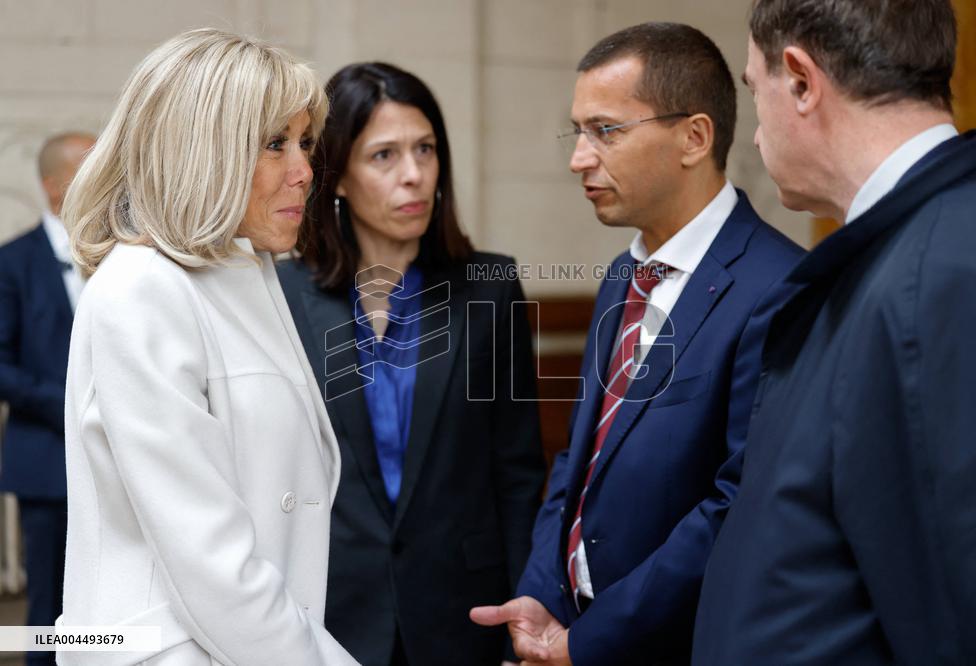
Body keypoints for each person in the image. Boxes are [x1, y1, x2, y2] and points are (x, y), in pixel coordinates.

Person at [470, 22, 803, 665]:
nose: (579, 159)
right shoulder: (626, 274)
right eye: (579, 132)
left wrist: (589, 642)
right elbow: (578, 461)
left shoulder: (776, 287)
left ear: (693, 137)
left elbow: (733, 506)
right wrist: (542, 599)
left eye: (607, 131)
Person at [692, 0, 976, 663]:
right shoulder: (897, 252)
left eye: (754, 89)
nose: (752, 136)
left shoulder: (944, 274)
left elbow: (968, 614)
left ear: (801, 81)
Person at [57, 28, 358, 665]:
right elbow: (209, 560)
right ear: (201, 152)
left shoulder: (248, 275)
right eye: (275, 143)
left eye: (305, 142)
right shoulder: (140, 290)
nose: (305, 170)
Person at [277, 62, 546, 666]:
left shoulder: (490, 286)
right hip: (330, 608)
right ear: (337, 175)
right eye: (384, 156)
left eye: (425, 149)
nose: (414, 175)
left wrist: (528, 604)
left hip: (466, 608)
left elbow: (518, 470)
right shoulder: (283, 297)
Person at [0, 131, 94, 666]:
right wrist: (68, 403)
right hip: (46, 462)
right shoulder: (12, 263)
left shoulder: (124, 257)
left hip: (121, 461)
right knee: (48, 608)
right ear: (54, 186)